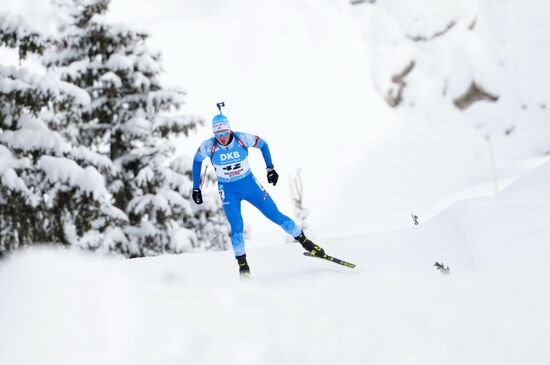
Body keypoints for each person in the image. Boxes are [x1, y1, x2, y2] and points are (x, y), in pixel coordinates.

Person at [191, 112, 325, 277]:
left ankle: (307, 244)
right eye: (218, 135)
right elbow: (197, 161)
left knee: (275, 215)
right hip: (228, 190)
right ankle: (243, 267)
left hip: (249, 184)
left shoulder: (242, 139)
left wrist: (270, 168)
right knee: (237, 228)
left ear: (229, 130)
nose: (222, 138)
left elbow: (263, 145)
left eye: (224, 133)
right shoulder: (209, 146)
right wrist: (196, 187)